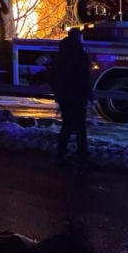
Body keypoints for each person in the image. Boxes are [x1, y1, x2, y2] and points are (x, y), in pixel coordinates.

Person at [50, 27, 93, 166]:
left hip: (65, 96)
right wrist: (89, 95)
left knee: (67, 126)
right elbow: (85, 77)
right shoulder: (81, 55)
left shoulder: (61, 54)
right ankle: (82, 155)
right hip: (78, 96)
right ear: (78, 37)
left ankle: (60, 154)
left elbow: (54, 76)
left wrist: (58, 92)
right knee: (80, 127)